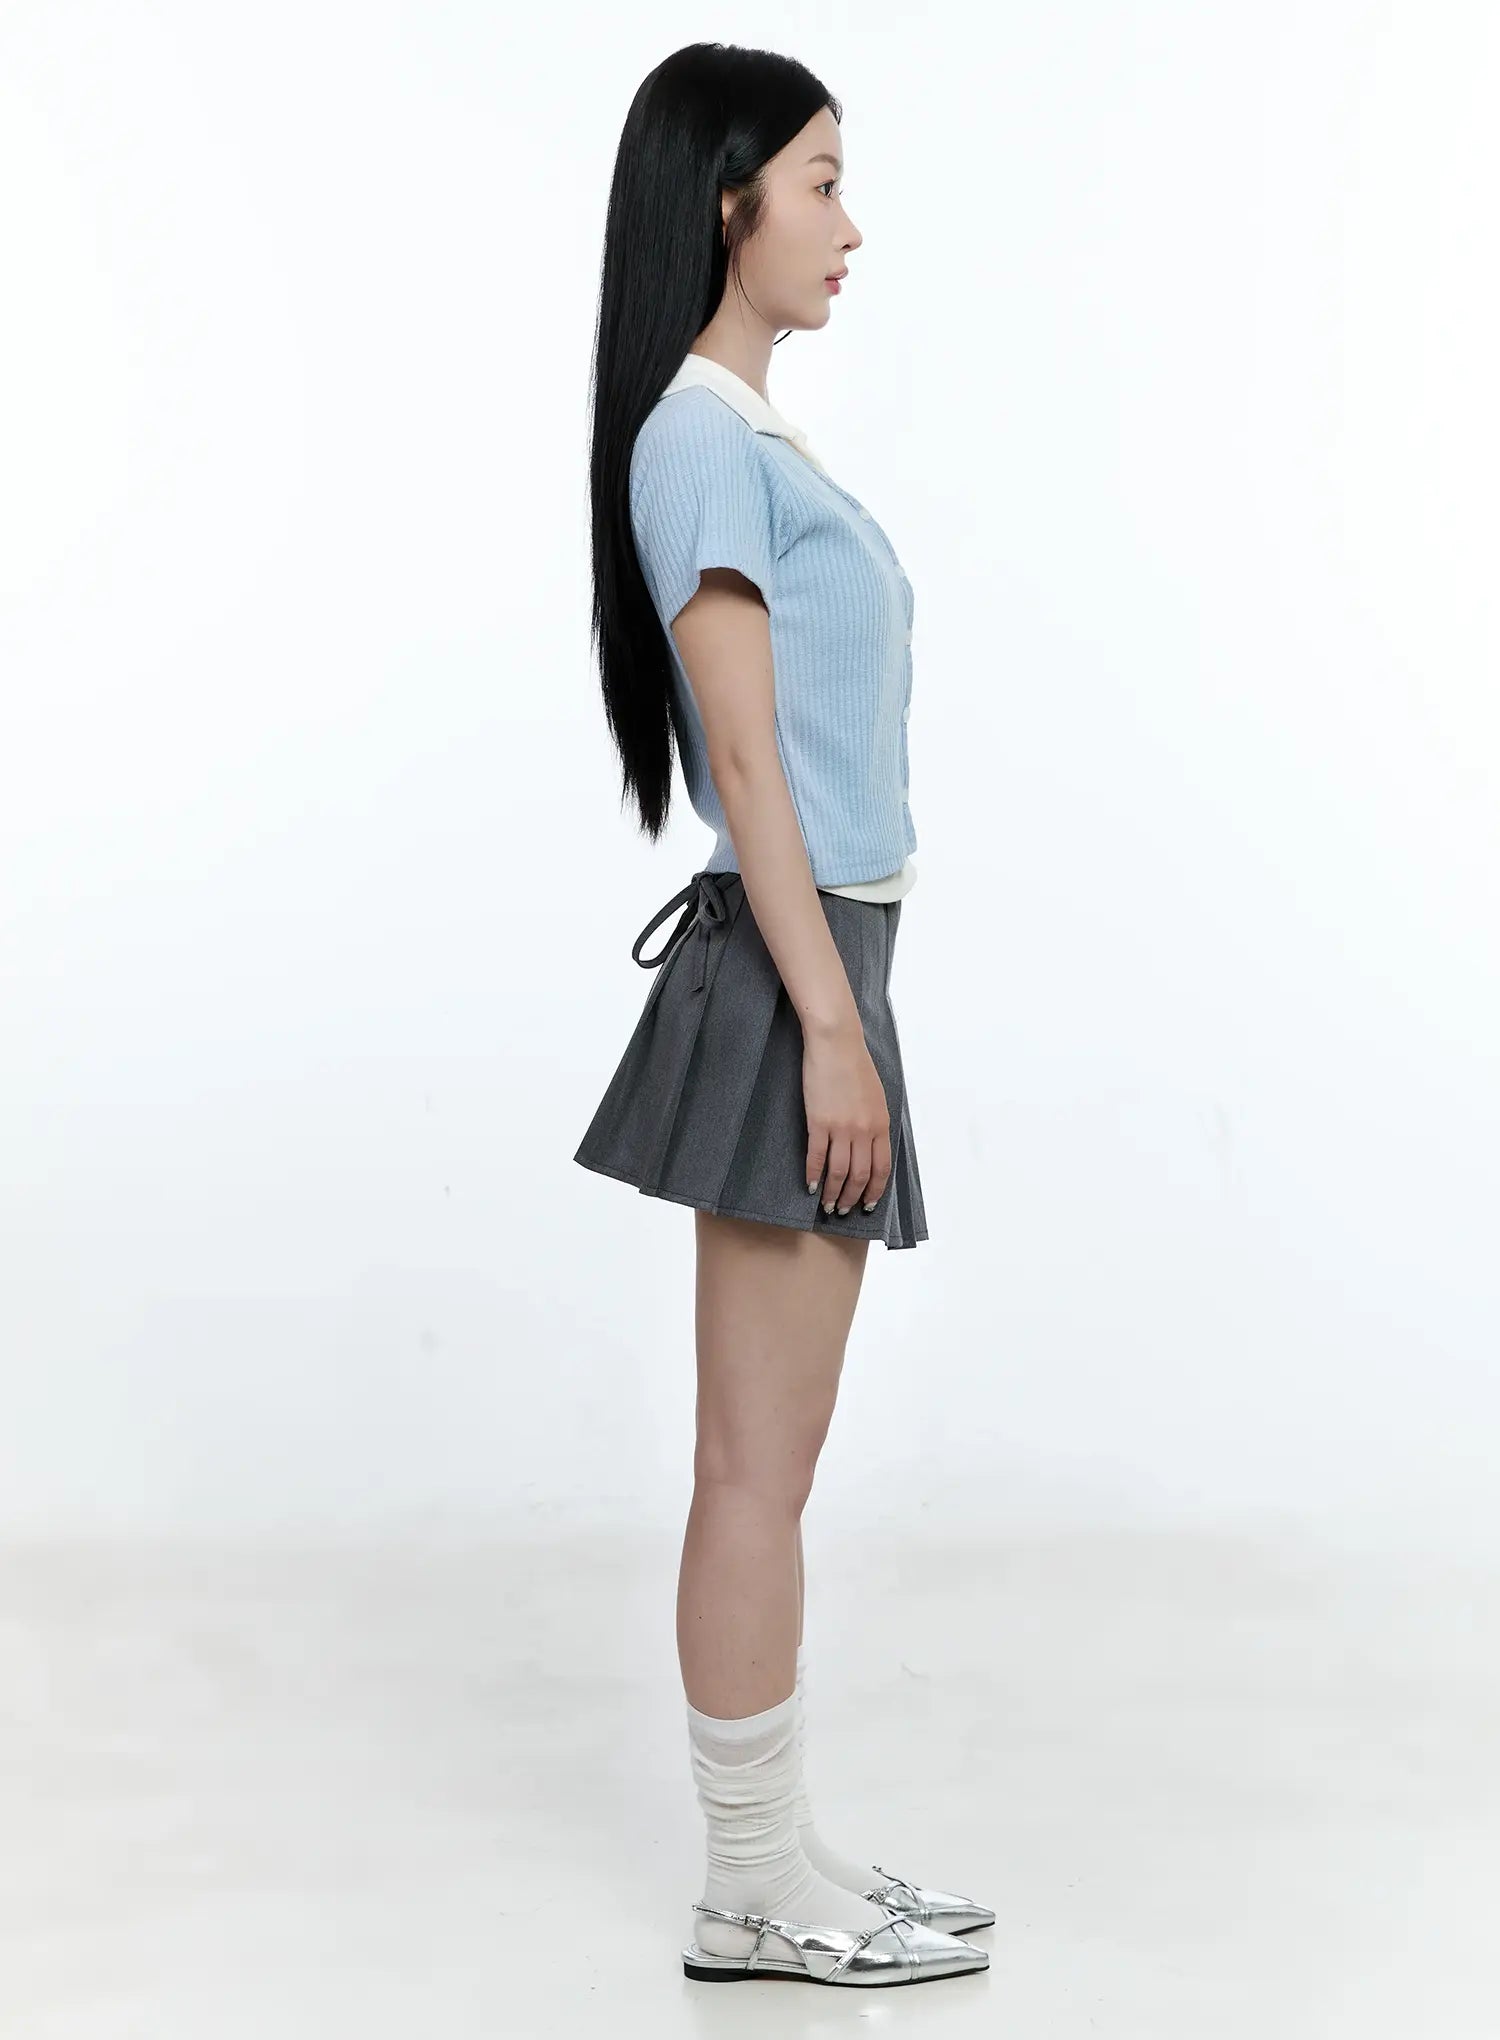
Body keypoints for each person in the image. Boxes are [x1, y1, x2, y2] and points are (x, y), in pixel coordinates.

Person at [574, 43, 992, 1987]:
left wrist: (845, 1004)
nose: (850, 224)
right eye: (821, 180)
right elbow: (745, 765)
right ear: (725, 199)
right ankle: (747, 1887)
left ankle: (780, 1850)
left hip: (825, 960)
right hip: (790, 968)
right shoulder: (697, 442)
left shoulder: (745, 437)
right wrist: (830, 1027)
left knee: (779, 1457)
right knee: (753, 1460)